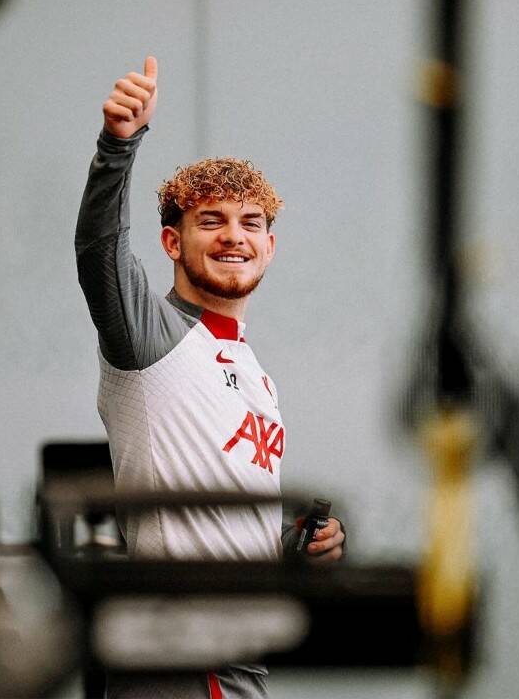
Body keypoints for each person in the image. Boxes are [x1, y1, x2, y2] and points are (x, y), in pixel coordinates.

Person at [76, 55, 345, 698]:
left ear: (270, 247)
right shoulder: (150, 337)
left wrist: (298, 547)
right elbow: (99, 251)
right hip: (177, 661)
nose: (234, 237)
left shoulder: (259, 376)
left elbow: (234, 539)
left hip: (240, 666)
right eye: (211, 221)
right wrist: (118, 145)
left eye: (251, 223)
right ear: (172, 243)